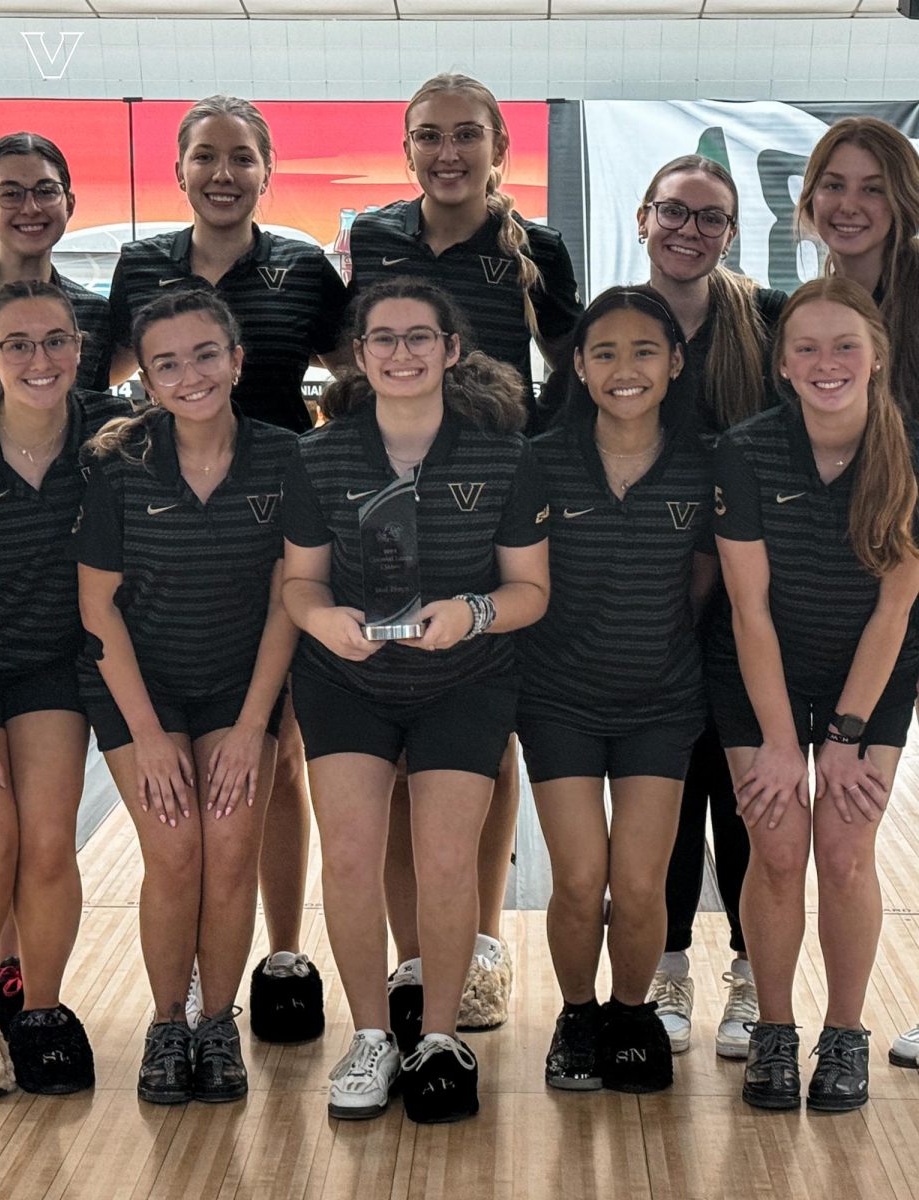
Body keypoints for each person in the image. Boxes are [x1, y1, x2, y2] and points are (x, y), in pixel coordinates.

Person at [109, 94, 349, 1044]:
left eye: (241, 157)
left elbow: (355, 369)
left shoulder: (301, 267)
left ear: (266, 168)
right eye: (205, 156)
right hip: (174, 516)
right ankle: (195, 1003)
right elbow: (101, 376)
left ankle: (282, 957)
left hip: (279, 515)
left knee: (274, 760)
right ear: (178, 170)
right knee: (224, 785)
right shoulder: (139, 265)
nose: (222, 173)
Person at [281, 277, 549, 1123]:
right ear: (358, 356)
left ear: (452, 349)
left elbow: (529, 591)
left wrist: (471, 614)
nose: (402, 353)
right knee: (353, 858)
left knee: (444, 862)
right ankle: (368, 1035)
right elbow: (299, 583)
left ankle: (437, 1037)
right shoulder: (317, 455)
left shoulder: (504, 454)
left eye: (419, 337)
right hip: (346, 680)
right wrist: (326, 621)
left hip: (463, 682)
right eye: (383, 339)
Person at [348, 72, 581, 1039]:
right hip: (388, 502)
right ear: (407, 150)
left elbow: (571, 375)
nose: (448, 154)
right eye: (429, 137)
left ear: (499, 149)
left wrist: (529, 473)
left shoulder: (539, 251)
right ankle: (414, 952)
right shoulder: (373, 237)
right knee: (397, 745)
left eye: (466, 137)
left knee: (483, 742)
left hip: (490, 512)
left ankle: (479, 940)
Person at [74, 289, 298, 1104]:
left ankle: (217, 1023)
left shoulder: (285, 457)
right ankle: (169, 1022)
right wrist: (149, 733)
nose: (190, 374)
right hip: (143, 691)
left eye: (206, 354)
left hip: (243, 689)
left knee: (233, 849)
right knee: (176, 853)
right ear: (147, 380)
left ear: (237, 361)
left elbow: (288, 598)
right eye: (166, 362)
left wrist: (251, 727)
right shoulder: (119, 465)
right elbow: (97, 608)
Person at [712, 276, 919, 1112]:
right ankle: (772, 1028)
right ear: (784, 367)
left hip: (872, 669)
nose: (826, 362)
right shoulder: (746, 450)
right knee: (778, 846)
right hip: (758, 667)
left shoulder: (909, 451)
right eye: (807, 348)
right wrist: (774, 741)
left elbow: (898, 602)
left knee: (843, 850)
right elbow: (748, 608)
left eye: (844, 346)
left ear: (876, 359)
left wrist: (843, 734)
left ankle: (844, 1034)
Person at [518, 285, 715, 1094]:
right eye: (604, 352)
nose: (624, 368)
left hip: (661, 705)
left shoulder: (706, 461)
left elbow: (703, 583)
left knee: (638, 884)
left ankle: (631, 1014)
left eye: (643, 351)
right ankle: (577, 1013)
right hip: (558, 699)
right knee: (577, 879)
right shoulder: (542, 460)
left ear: (674, 363)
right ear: (579, 366)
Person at [0, 280, 126, 1100]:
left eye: (55, 340)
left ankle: (43, 1013)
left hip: (53, 663)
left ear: (79, 347)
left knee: (50, 842)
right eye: (18, 344)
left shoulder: (111, 435)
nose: (39, 358)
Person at [637, 154, 788, 1058]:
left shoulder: (763, 321)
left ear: (730, 232)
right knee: (665, 791)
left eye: (710, 218)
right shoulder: (617, 320)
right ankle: (666, 963)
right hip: (644, 596)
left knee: (739, 795)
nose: (690, 231)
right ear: (646, 218)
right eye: (675, 213)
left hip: (745, 598)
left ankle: (744, 972)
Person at [0, 133, 111, 402]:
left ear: (70, 204)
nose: (30, 208)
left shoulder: (93, 313)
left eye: (46, 191)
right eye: (10, 194)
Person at [797, 116, 919, 421]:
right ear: (812, 196)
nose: (848, 205)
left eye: (873, 189)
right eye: (834, 185)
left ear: (903, 199)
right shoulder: (816, 305)